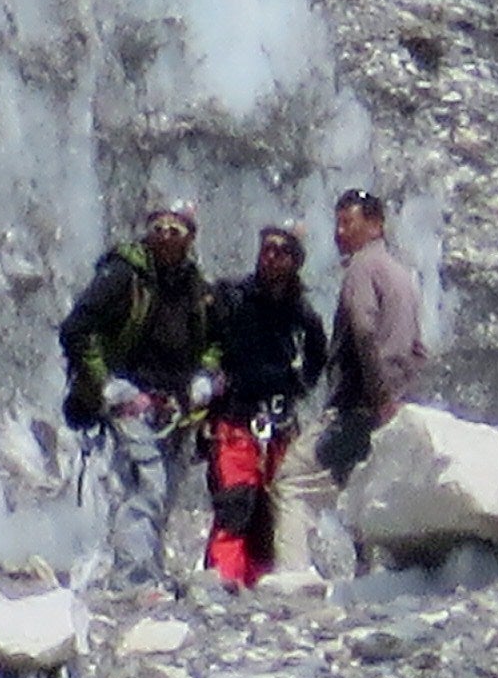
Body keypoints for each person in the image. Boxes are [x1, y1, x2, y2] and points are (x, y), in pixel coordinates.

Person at [59, 203, 225, 583]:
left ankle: (146, 568)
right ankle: (133, 575)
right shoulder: (122, 276)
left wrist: (206, 375)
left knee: (163, 493)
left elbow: (216, 340)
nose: (166, 237)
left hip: (177, 405)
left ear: (190, 237)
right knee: (148, 485)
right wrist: (106, 384)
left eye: (176, 230)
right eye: (159, 228)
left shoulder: (196, 288)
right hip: (130, 398)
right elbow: (76, 329)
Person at [204, 223, 331, 587]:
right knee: (235, 502)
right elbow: (208, 341)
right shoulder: (233, 299)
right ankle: (224, 579)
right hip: (236, 418)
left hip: (278, 422)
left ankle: (260, 578)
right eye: (267, 250)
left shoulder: (301, 314)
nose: (272, 257)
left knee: (271, 507)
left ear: (295, 261)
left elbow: (318, 356)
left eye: (281, 251)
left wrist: (300, 384)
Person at [318, 187, 425, 486]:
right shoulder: (400, 274)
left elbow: (364, 330)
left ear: (375, 224)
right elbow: (418, 348)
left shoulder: (361, 267)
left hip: (361, 405)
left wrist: (379, 397)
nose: (339, 233)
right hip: (397, 403)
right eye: (337, 225)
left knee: (294, 482)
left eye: (347, 224)